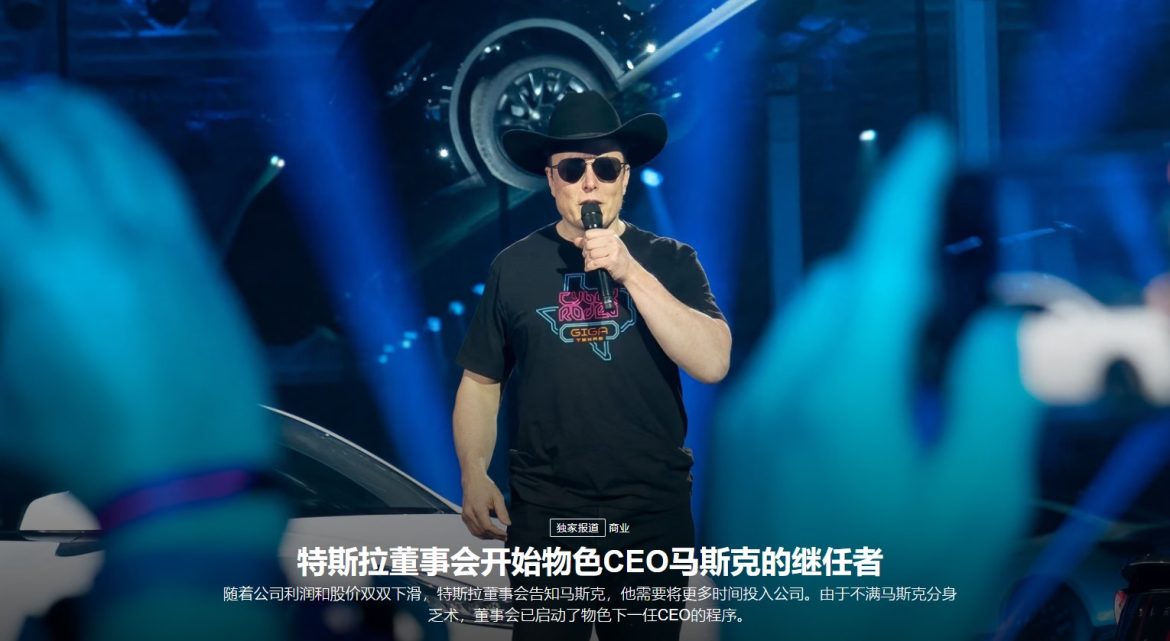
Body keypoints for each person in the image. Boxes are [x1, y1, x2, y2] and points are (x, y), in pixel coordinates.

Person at [452, 90, 732, 641]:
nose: (589, 182)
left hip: (648, 514)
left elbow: (713, 362)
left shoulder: (671, 260)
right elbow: (481, 380)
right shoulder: (514, 267)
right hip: (549, 514)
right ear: (551, 179)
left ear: (624, 178)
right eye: (572, 169)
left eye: (605, 168)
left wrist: (630, 272)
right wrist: (473, 471)